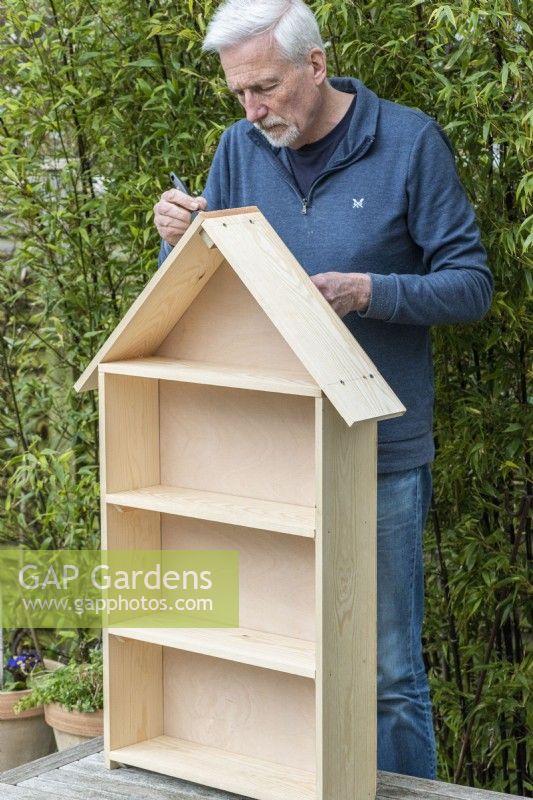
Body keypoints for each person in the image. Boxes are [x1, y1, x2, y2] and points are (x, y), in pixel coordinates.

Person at [153, 0, 493, 780]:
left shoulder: (408, 143)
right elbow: (203, 291)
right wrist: (176, 241)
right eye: (239, 93)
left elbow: (471, 286)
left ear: (316, 64)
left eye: (266, 87)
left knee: (386, 674)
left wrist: (368, 292)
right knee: (270, 655)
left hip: (379, 451)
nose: (252, 109)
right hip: (262, 452)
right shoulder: (238, 149)